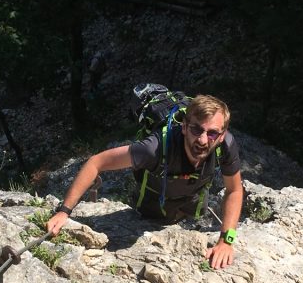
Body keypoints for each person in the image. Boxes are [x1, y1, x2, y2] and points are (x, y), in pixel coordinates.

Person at [46, 94, 244, 269]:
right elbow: (96, 162)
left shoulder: (225, 146)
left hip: (192, 199)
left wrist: (226, 241)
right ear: (184, 127)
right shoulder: (154, 149)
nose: (202, 139)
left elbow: (234, 190)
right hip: (153, 204)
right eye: (196, 129)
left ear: (221, 136)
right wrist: (64, 212)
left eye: (212, 133)